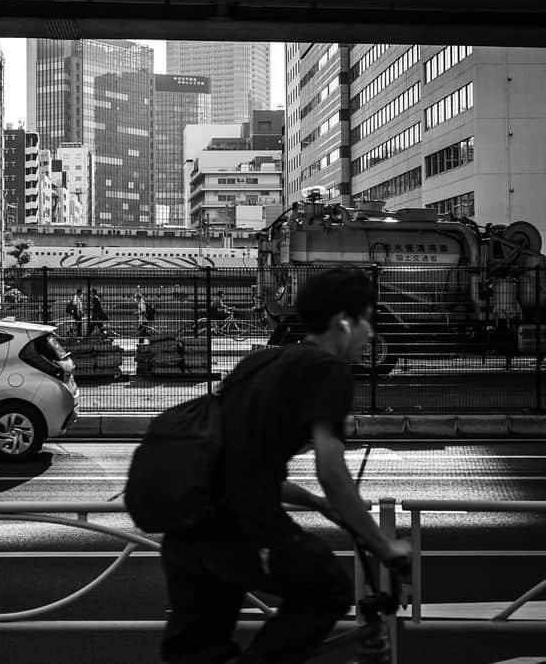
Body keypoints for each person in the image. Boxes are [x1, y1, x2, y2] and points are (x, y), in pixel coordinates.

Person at [159, 268, 411, 664]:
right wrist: (384, 546)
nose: (372, 335)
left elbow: (237, 466)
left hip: (186, 534)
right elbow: (332, 469)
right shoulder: (329, 371)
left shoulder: (259, 363)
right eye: (367, 320)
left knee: (198, 654)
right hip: (241, 533)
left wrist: (316, 504)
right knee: (329, 590)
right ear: (344, 324)